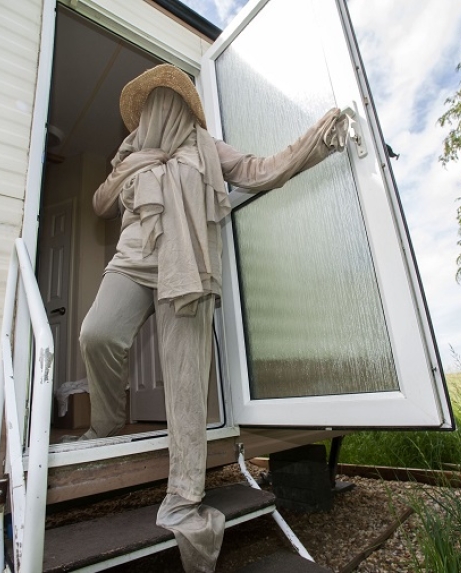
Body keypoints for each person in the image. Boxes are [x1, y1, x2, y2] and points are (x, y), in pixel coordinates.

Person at [76, 64, 348, 572]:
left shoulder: (205, 145)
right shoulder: (130, 150)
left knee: (184, 383)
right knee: (97, 334)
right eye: (156, 101)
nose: (164, 109)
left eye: (170, 100)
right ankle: (107, 424)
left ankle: (184, 495)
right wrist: (141, 162)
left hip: (188, 266)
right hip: (134, 258)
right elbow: (99, 202)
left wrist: (319, 139)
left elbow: (260, 170)